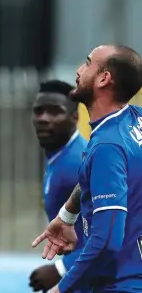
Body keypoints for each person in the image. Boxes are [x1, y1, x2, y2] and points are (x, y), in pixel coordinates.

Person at [32, 45, 142, 293]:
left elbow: (106, 242)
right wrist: (68, 214)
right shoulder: (134, 119)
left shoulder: (107, 146)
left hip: (121, 285)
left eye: (88, 62)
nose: (79, 70)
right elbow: (97, 175)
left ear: (104, 79)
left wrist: (61, 288)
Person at [29, 80, 88, 293]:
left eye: (55, 112)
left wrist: (62, 269)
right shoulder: (58, 155)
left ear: (75, 118)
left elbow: (115, 232)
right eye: (38, 111)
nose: (43, 118)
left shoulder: (80, 164)